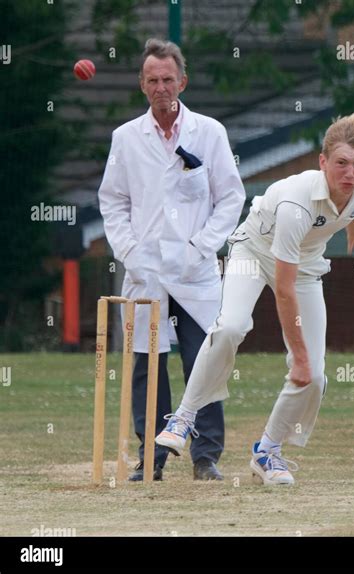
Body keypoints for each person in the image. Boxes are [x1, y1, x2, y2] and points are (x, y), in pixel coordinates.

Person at [156, 113, 354, 485]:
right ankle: (184, 416)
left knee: (314, 378)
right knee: (231, 327)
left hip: (305, 266)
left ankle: (268, 452)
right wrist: (299, 356)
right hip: (253, 251)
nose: (349, 173)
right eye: (340, 163)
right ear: (322, 162)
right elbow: (283, 291)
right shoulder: (297, 205)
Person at [99, 38, 245, 481]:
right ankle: (152, 458)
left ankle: (206, 457)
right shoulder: (126, 138)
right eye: (152, 80)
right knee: (147, 362)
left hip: (196, 270)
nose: (161, 87)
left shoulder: (210, 131)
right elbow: (113, 201)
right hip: (145, 269)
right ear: (142, 85)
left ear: (183, 81)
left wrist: (202, 246)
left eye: (168, 79)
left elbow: (231, 197)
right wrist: (128, 251)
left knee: (206, 360)